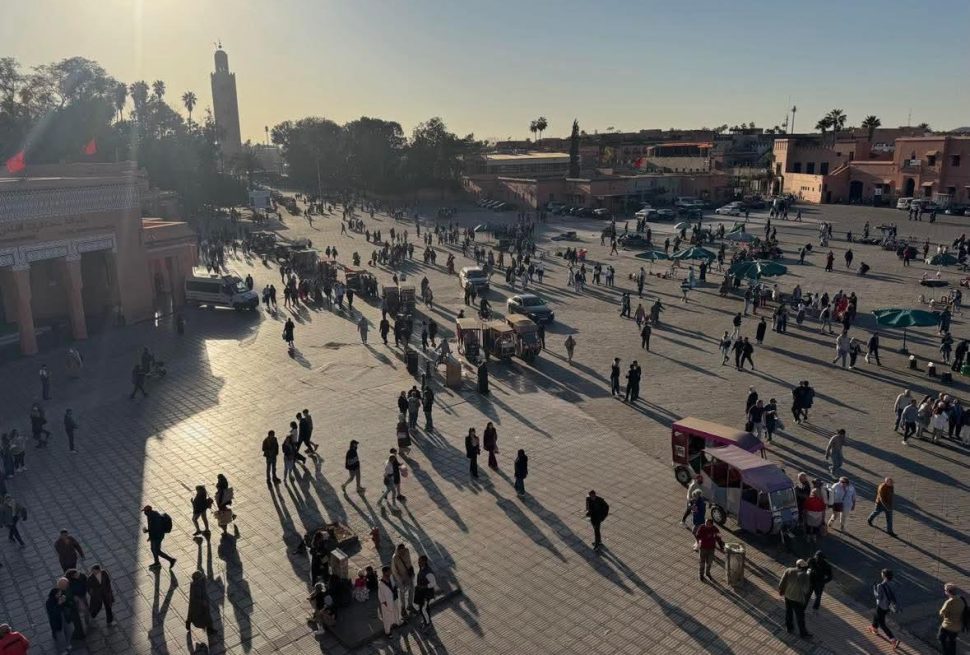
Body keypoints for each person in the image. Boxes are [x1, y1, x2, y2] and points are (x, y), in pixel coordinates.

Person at [778, 559, 812, 638]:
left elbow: (781, 583)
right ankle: (803, 633)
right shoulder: (805, 575)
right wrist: (807, 577)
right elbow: (806, 590)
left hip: (787, 596)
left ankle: (789, 628)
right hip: (797, 599)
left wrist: (781, 590)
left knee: (788, 612)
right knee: (800, 617)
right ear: (803, 567)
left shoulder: (788, 570)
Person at [867, 569, 900, 648]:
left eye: (882, 573)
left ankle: (893, 639)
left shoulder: (880, 585)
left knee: (882, 623)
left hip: (881, 606)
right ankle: (874, 628)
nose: (881, 574)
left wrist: (874, 590)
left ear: (884, 576)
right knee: (876, 615)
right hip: (888, 606)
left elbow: (878, 597)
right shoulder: (893, 584)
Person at [142, 505, 176, 569]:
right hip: (154, 536)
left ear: (148, 511)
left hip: (157, 537)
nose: (144, 513)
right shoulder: (150, 515)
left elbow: (156, 528)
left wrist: (147, 531)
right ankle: (157, 562)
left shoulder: (154, 517)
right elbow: (151, 527)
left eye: (145, 511)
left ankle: (171, 560)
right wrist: (150, 535)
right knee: (153, 549)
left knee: (157, 551)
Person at [938, 583, 966, 655]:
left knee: (941, 638)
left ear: (948, 592)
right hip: (958, 626)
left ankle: (946, 653)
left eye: (945, 590)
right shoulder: (961, 599)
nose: (945, 591)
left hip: (947, 625)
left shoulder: (949, 602)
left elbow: (942, 613)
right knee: (952, 641)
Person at [186, 570, 217, 636]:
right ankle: (209, 629)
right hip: (201, 605)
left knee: (192, 614)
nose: (202, 577)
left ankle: (189, 622)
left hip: (202, 603)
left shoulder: (199, 582)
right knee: (207, 617)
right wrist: (203, 602)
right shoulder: (196, 586)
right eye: (200, 577)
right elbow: (195, 598)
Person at [694, 517, 724, 581]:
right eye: (706, 523)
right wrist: (701, 540)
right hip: (703, 548)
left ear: (712, 525)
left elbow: (719, 537)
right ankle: (701, 574)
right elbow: (697, 535)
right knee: (702, 562)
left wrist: (721, 546)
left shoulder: (715, 529)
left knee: (709, 562)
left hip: (711, 549)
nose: (706, 525)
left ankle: (707, 573)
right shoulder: (702, 527)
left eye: (708, 524)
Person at [414, 555, 437, 631]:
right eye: (418, 561)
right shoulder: (422, 568)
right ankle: (426, 620)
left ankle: (427, 624)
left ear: (424, 561)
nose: (418, 562)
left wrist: (424, 586)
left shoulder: (428, 572)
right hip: (422, 593)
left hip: (426, 594)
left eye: (420, 561)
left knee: (423, 609)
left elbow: (433, 583)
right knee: (425, 608)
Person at [391, 544, 415, 618]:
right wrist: (400, 581)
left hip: (409, 575)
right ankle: (403, 608)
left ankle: (410, 605)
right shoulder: (395, 558)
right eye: (401, 551)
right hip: (401, 578)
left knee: (412, 590)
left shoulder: (406, 551)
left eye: (403, 550)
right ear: (398, 550)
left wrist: (412, 573)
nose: (402, 552)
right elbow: (394, 571)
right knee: (402, 593)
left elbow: (409, 562)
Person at [378, 566, 401, 637]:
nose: (391, 572)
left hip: (394, 599)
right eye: (389, 571)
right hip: (387, 604)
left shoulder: (391, 578)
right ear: (385, 573)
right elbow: (380, 596)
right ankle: (387, 632)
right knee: (387, 618)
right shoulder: (381, 584)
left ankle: (396, 623)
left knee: (396, 612)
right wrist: (386, 604)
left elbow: (394, 586)